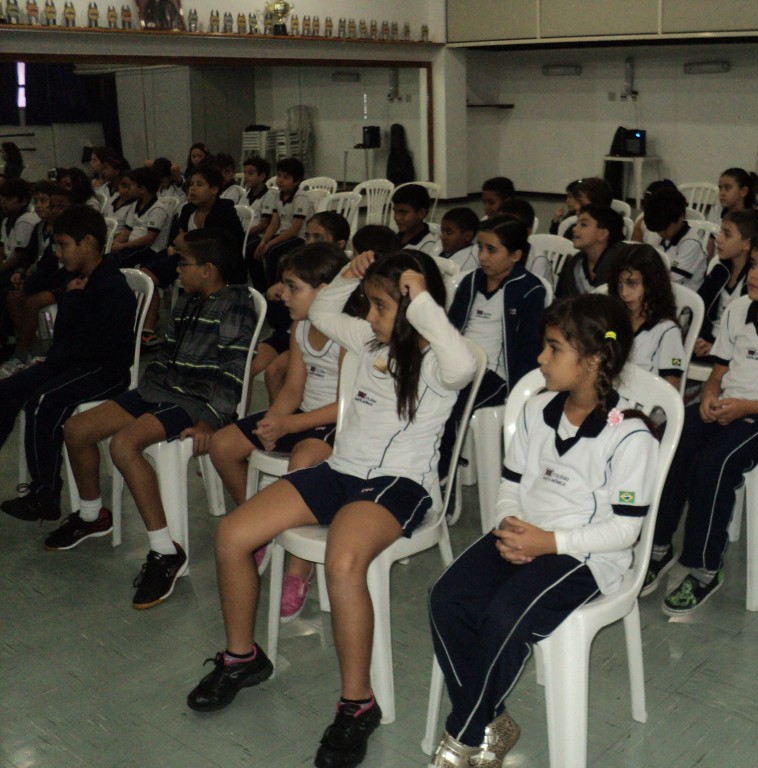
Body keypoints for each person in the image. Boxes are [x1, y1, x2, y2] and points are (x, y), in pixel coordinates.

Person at [185, 250, 475, 768]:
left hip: (397, 485)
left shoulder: (437, 358)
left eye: (382, 306)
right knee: (232, 534)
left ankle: (357, 704)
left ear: (414, 307)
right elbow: (321, 312)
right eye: (369, 303)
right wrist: (347, 276)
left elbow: (465, 364)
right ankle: (241, 657)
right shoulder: (367, 339)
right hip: (340, 471)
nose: (369, 315)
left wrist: (421, 303)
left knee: (342, 563)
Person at [427, 293, 658, 768]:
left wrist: (549, 543)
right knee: (445, 597)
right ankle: (492, 720)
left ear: (593, 360)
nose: (540, 358)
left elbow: (625, 531)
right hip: (526, 534)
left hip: (586, 556)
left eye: (554, 348)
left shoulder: (630, 433)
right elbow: (511, 485)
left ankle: (462, 737)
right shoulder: (537, 411)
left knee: (505, 614)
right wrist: (510, 525)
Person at [54, 228, 256, 610]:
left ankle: (166, 551)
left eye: (184, 263)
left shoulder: (235, 304)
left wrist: (211, 420)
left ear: (208, 270)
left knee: (124, 445)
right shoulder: (187, 299)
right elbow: (165, 354)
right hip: (161, 389)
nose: (177, 269)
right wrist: (143, 392)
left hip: (196, 400)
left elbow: (234, 371)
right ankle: (93, 515)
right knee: (77, 429)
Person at [643, 227, 758, 611]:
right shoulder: (736, 311)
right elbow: (718, 374)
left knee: (715, 462)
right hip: (731, 405)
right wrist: (709, 396)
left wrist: (747, 407)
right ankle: (658, 547)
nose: (754, 274)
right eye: (754, 264)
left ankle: (705, 569)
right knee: (673, 442)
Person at [208, 242, 344, 621]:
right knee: (223, 445)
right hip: (302, 415)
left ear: (326, 291)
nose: (282, 294)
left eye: (292, 287)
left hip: (338, 426)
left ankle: (299, 570)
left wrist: (290, 424)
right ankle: (261, 526)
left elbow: (345, 405)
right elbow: (293, 390)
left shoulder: (348, 334)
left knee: (304, 460)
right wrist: (273, 419)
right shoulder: (301, 326)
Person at [0, 206, 135, 522]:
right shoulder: (76, 279)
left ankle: (45, 495)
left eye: (63, 245)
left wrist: (72, 301)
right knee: (8, 390)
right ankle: (40, 490)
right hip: (70, 362)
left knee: (42, 402)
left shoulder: (112, 286)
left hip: (104, 371)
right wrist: (69, 298)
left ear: (88, 242)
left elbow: (96, 346)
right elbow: (64, 337)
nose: (58, 254)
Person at [441, 215, 546, 476]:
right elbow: (451, 327)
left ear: (515, 255)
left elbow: (529, 346)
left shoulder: (529, 289)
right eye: (480, 247)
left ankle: (443, 473)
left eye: (491, 250)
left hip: (496, 375)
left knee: (450, 408)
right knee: (428, 396)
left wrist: (518, 391)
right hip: (460, 364)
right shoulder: (471, 282)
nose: (482, 256)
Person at [249, 212, 350, 402]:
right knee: (248, 366)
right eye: (307, 236)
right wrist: (273, 296)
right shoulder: (295, 267)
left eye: (317, 237)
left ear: (340, 244)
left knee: (274, 371)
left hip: (312, 336)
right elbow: (278, 322)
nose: (310, 242)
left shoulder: (341, 282)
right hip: (289, 333)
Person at [1, 182, 73, 375]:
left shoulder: (67, 231)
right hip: (46, 279)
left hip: (64, 281)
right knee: (12, 298)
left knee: (33, 302)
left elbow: (57, 268)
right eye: (52, 206)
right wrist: (22, 273)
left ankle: (22, 352)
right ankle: (30, 349)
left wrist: (30, 284)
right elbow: (33, 257)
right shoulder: (42, 227)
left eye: (46, 202)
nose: (52, 210)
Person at [110, 166, 177, 347]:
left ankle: (147, 324)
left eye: (132, 185)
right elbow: (127, 231)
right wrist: (113, 244)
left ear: (142, 188)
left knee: (116, 266)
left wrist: (123, 246)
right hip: (132, 247)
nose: (128, 188)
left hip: (151, 251)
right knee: (109, 259)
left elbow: (149, 238)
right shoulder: (135, 206)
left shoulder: (158, 208)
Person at [607, 242, 684, 389]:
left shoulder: (666, 330)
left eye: (632, 283)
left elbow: (671, 389)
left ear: (652, 283)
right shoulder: (613, 321)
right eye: (619, 284)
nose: (624, 293)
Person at [694, 209, 758, 359]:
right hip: (709, 341)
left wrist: (718, 346)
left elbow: (750, 328)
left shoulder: (755, 280)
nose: (718, 239)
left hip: (738, 349)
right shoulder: (719, 270)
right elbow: (700, 305)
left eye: (727, 235)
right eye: (720, 232)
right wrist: (699, 338)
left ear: (746, 244)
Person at [250, 157, 313, 293]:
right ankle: (260, 289)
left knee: (273, 252)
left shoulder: (300, 198)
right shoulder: (278, 195)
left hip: (300, 238)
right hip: (284, 235)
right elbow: (274, 223)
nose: (280, 180)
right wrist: (264, 241)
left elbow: (294, 230)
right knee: (254, 248)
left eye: (286, 177)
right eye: (279, 175)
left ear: (296, 181)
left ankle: (274, 290)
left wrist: (270, 244)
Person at [171, 165, 245, 261]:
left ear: (214, 189)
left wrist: (186, 244)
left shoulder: (225, 212)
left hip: (216, 264)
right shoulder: (187, 209)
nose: (193, 188)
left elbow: (222, 248)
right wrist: (174, 247)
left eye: (199, 184)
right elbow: (177, 235)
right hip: (186, 257)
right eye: (191, 184)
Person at [554, 205, 626, 298]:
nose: (574, 228)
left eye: (583, 225)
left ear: (602, 234)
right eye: (576, 224)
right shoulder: (575, 263)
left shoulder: (622, 263)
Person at [642, 187, 706, 291]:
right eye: (658, 230)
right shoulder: (659, 233)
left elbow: (671, 279)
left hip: (683, 294)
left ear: (681, 218)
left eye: (665, 229)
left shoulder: (692, 243)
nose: (661, 234)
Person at [391, 183, 439, 253]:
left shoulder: (428, 246)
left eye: (403, 212)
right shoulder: (395, 235)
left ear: (421, 213)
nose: (397, 217)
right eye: (395, 212)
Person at [439, 206, 479, 270]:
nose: (442, 237)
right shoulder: (439, 249)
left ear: (467, 236)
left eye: (449, 232)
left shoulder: (471, 262)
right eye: (442, 231)